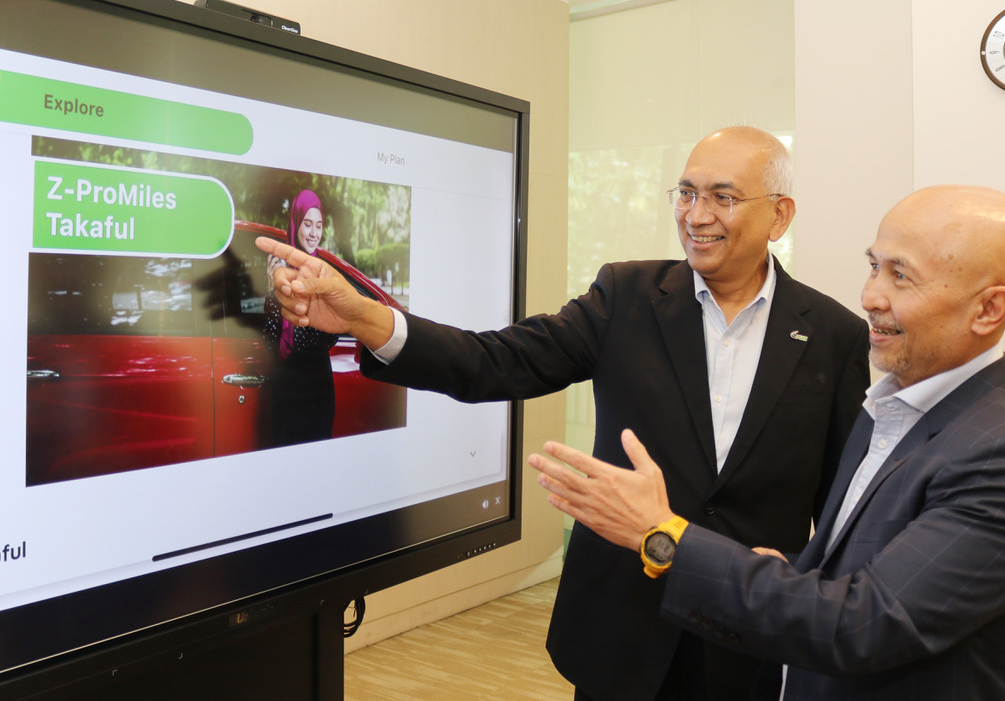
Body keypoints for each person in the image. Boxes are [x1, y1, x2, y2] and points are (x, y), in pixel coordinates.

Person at [257, 127, 869, 700]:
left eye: (723, 197)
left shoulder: (835, 337)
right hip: (623, 628)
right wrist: (365, 317)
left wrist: (806, 591)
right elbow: (493, 361)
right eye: (686, 193)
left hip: (750, 639)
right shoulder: (626, 298)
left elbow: (846, 509)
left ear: (780, 214)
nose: (697, 215)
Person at [528, 185, 1005, 701]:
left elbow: (865, 624)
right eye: (874, 267)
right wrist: (790, 568)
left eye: (901, 277)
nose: (870, 296)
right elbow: (861, 568)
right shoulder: (890, 411)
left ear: (989, 309)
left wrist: (661, 534)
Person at [260, 189, 340, 446]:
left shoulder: (326, 274)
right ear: (296, 224)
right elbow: (271, 342)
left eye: (319, 225)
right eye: (307, 224)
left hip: (317, 388)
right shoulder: (279, 271)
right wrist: (273, 291)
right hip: (285, 387)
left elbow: (328, 338)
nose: (314, 233)